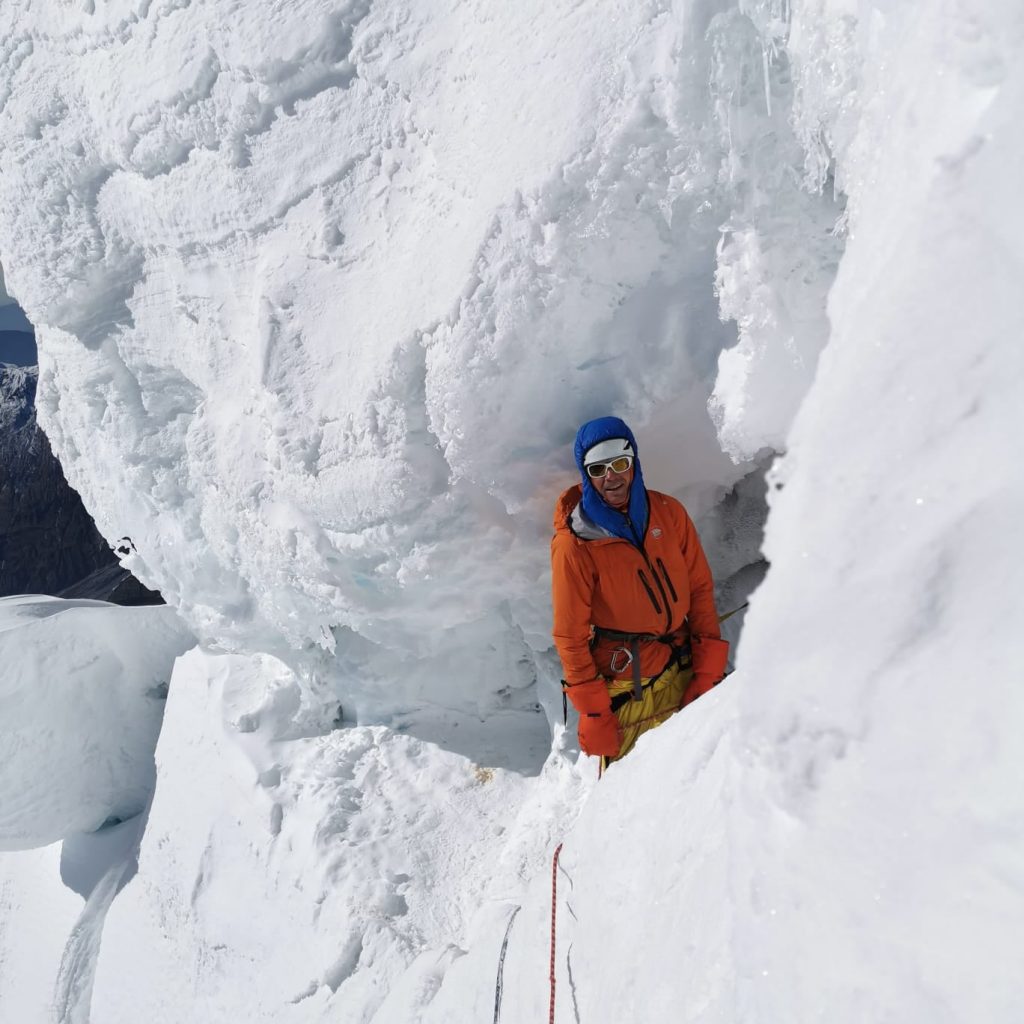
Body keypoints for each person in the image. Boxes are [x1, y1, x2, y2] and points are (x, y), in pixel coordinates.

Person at [551, 416, 728, 765]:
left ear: (634, 463)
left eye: (619, 463)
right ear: (586, 476)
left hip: (683, 662)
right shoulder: (575, 545)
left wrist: (708, 669)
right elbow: (569, 635)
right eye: (598, 469)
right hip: (628, 682)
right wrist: (594, 713)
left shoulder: (668, 513)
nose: (611, 477)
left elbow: (699, 588)